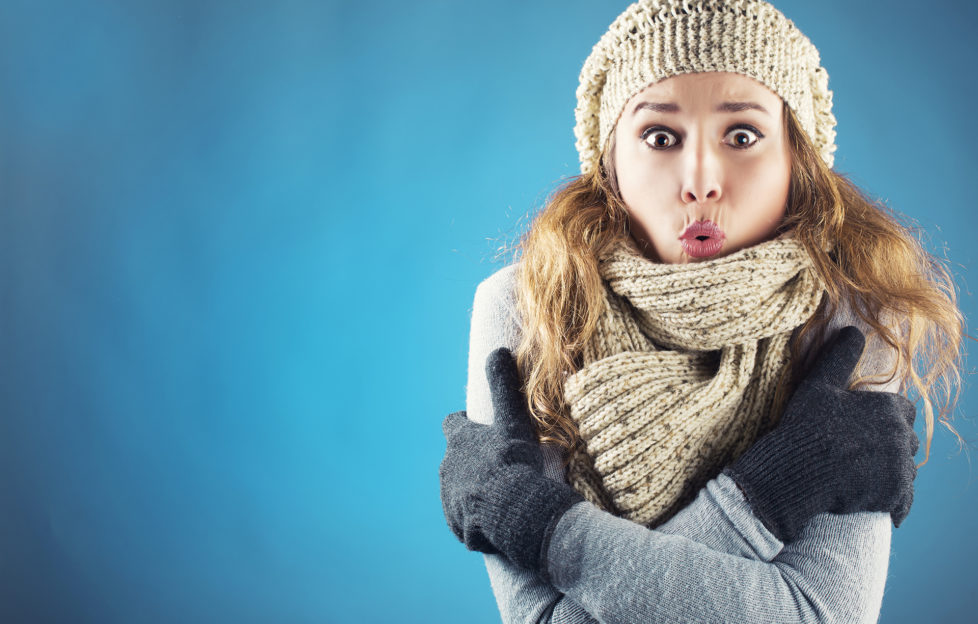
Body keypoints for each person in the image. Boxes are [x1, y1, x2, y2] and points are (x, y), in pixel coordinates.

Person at [439, 1, 964, 622]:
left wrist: (545, 529)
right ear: (609, 165)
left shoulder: (851, 316)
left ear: (798, 161)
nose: (700, 180)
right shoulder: (526, 309)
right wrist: (767, 500)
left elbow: (825, 615)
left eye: (742, 135)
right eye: (660, 137)